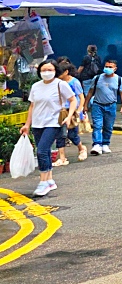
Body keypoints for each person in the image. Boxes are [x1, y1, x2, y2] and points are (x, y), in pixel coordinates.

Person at [21, 59, 77, 197]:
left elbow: (73, 100)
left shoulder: (60, 84)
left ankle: (43, 182)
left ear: (55, 71)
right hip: (37, 123)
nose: (47, 72)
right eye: (44, 70)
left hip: (53, 123)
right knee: (44, 151)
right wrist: (27, 125)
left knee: (41, 151)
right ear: (39, 72)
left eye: (50, 70)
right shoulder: (36, 86)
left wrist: (69, 116)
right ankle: (50, 180)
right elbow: (32, 106)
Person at [85, 58, 122, 155]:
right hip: (97, 105)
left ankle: (105, 144)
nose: (107, 68)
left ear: (115, 69)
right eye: (106, 66)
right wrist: (85, 105)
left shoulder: (119, 80)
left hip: (111, 105)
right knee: (97, 125)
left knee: (108, 126)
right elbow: (90, 92)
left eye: (110, 67)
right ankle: (97, 144)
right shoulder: (97, 78)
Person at [53, 59, 87, 165]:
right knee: (60, 135)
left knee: (72, 135)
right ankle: (62, 157)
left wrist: (79, 110)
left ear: (66, 72)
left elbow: (81, 97)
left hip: (71, 111)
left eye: (60, 73)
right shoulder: (57, 83)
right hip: (61, 111)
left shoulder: (74, 82)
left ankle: (81, 149)